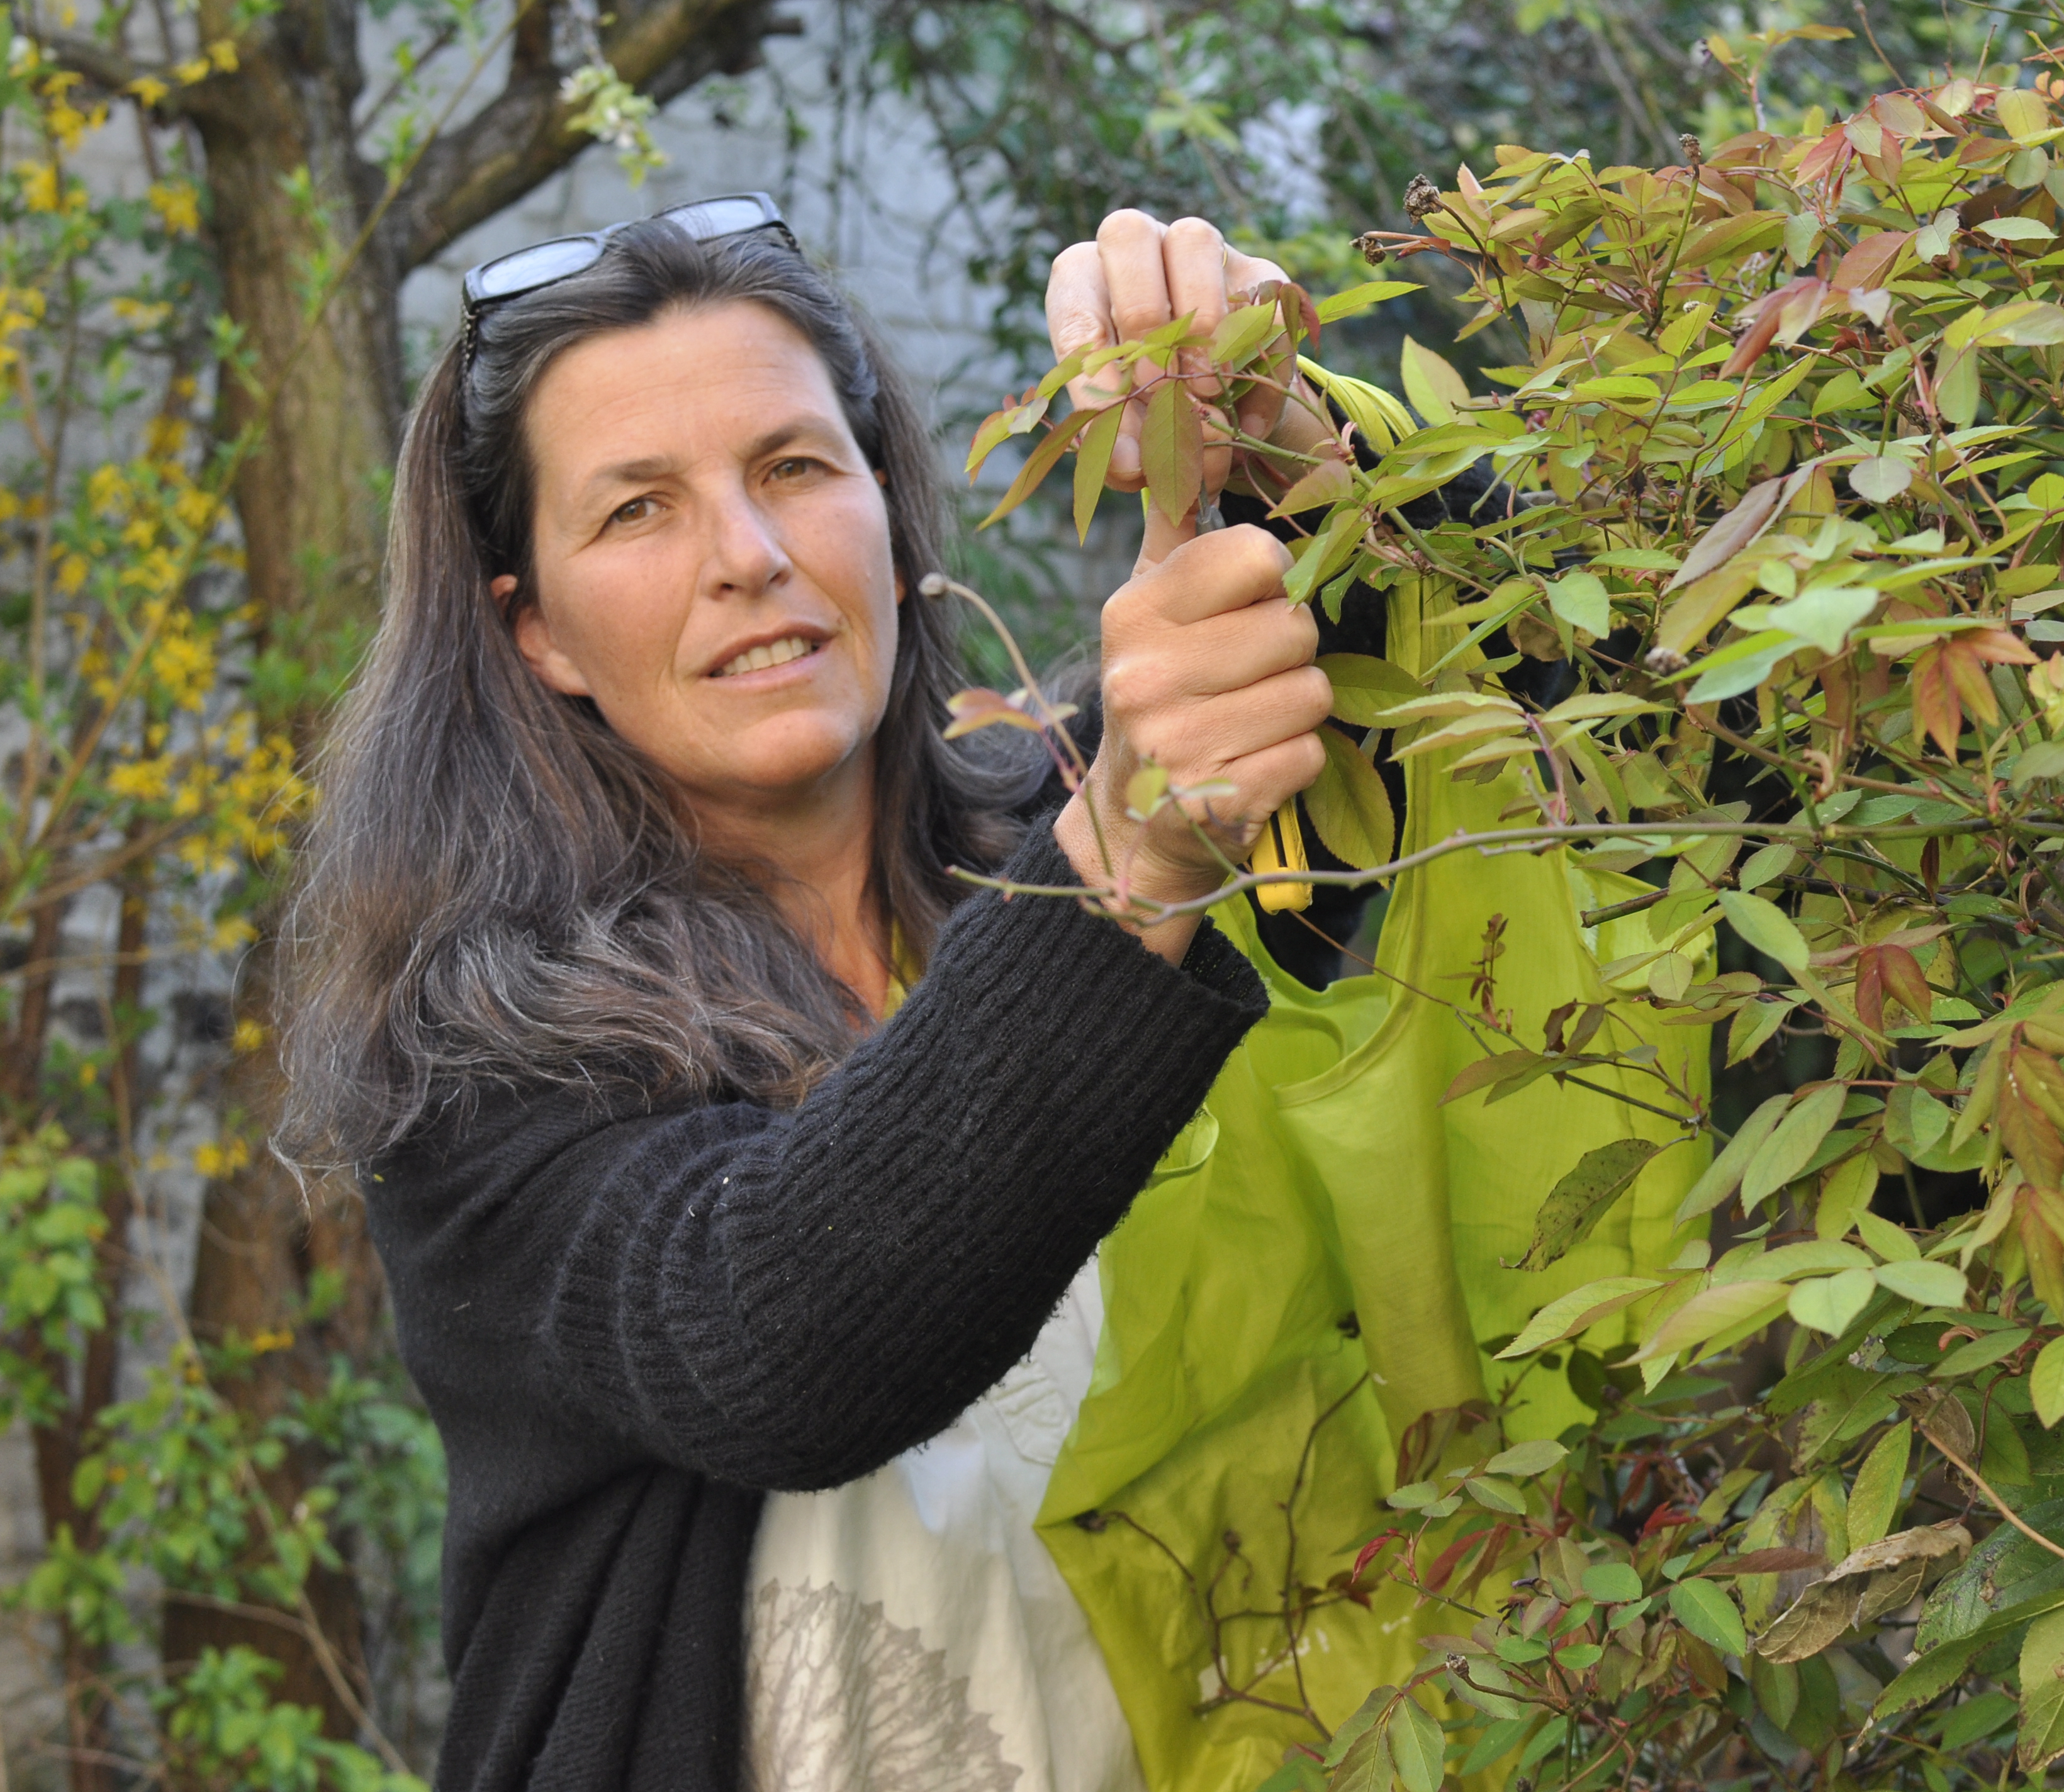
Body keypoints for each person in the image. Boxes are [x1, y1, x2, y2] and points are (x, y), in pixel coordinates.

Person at [278, 196, 1334, 1791]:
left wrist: (1295, 447)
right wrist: (1133, 850)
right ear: (539, 630)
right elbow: (770, 1338)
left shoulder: (1061, 813)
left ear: (888, 520)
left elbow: (1498, 704)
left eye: (792, 467)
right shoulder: (480, 1051)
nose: (750, 558)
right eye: (636, 511)